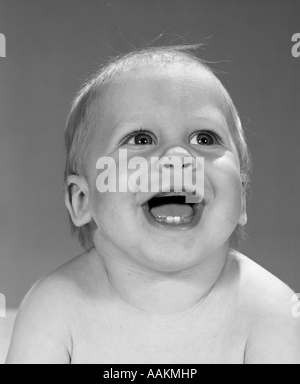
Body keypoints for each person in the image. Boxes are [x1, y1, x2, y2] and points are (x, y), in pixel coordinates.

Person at [6, 46, 300, 364]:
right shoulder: (53, 310)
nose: (177, 157)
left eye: (204, 138)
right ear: (82, 199)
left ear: (241, 197)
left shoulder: (272, 311)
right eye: (141, 139)